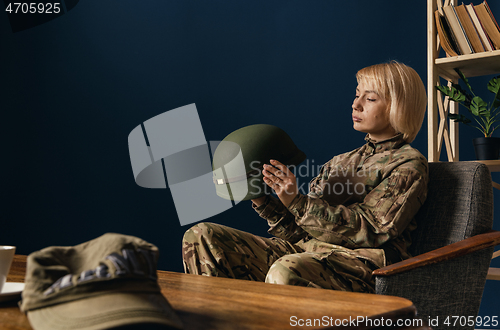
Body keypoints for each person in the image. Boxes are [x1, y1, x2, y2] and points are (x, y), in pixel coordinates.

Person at [182, 61, 428, 293]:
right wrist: (263, 199)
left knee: (285, 270)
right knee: (200, 236)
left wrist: (297, 202)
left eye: (370, 98)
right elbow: (301, 232)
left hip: (357, 266)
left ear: (398, 106)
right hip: (306, 254)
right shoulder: (339, 162)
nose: (356, 104)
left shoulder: (407, 164)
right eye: (356, 95)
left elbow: (372, 231)